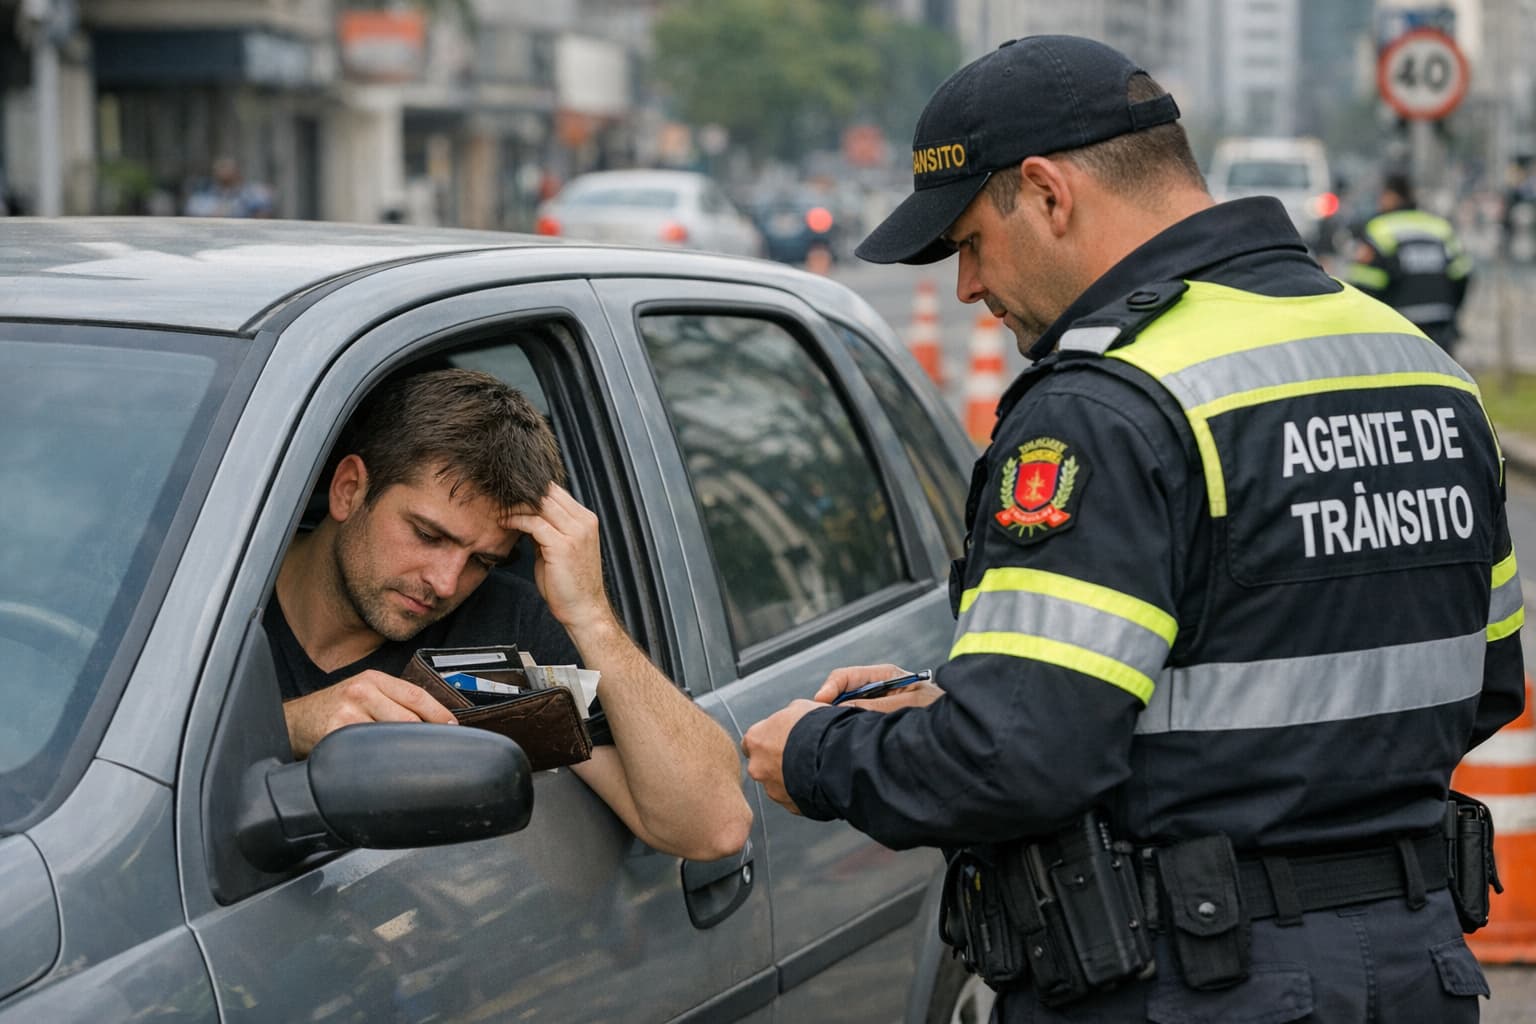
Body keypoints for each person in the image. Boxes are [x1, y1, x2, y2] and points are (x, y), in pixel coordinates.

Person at [742, 35, 1524, 1022]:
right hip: (1415, 969)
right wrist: (981, 697)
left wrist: (818, 753)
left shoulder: (1106, 403)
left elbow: (1019, 760)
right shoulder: (1422, 369)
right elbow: (1482, 682)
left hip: (1196, 977)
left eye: (970, 241)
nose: (967, 287)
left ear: (1047, 193)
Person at [271, 367, 752, 862]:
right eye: (428, 535)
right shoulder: (227, 590)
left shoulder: (507, 641)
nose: (446, 583)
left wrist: (590, 614)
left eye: (482, 561)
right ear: (349, 489)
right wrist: (287, 726)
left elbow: (714, 827)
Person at [1343, 172, 1472, 357]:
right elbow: (1462, 276)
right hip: (1440, 326)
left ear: (1392, 196)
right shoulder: (1440, 228)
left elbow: (1365, 284)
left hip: (1397, 328)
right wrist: (1450, 310)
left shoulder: (1379, 229)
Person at [184, 156, 275, 218]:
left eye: (227, 168)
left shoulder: (251, 192)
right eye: (220, 168)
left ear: (237, 171)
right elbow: (192, 211)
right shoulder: (204, 193)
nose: (224, 172)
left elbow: (263, 213)